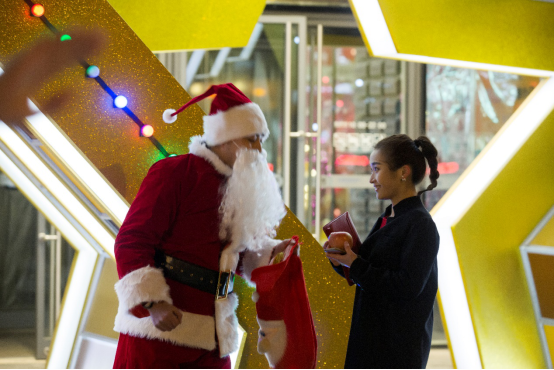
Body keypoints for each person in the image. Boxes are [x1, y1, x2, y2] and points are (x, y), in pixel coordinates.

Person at [113, 83, 298, 369]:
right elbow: (132, 241)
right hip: (162, 334)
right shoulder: (175, 173)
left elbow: (228, 255)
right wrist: (152, 303)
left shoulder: (238, 186)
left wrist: (267, 253)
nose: (260, 150)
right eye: (253, 139)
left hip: (215, 337)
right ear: (227, 138)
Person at [325, 134, 441, 369]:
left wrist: (355, 264)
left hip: (394, 352)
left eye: (376, 169)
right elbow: (370, 274)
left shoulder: (420, 225)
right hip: (371, 344)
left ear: (403, 172)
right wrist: (342, 262)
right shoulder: (390, 216)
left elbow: (406, 286)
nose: (371, 179)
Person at [0, 29, 104, 124]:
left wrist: (48, 107)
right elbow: (8, 113)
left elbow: (9, 113)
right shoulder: (41, 55)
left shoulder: (44, 57)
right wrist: (48, 107)